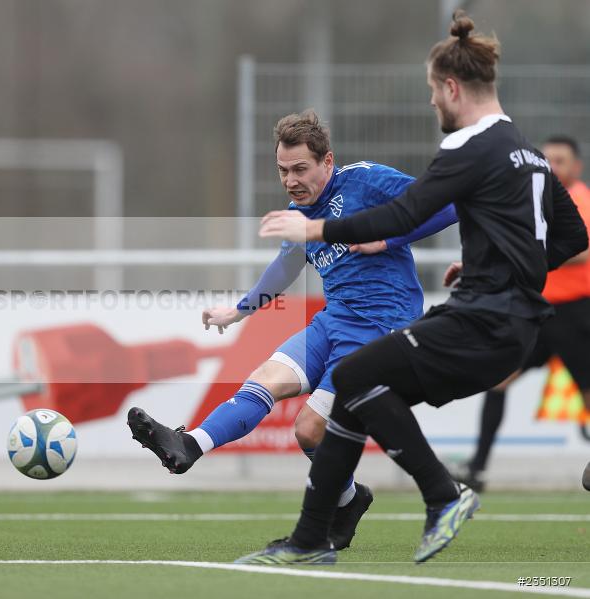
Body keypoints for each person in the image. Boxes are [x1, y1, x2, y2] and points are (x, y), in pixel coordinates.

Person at [235, 11, 588, 566]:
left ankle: (444, 494)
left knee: (354, 375)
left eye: (432, 91)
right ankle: (310, 541)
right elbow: (572, 236)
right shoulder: (526, 151)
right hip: (510, 318)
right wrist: (487, 269)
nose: (430, 103)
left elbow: (404, 213)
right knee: (356, 389)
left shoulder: (470, 149)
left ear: (452, 88)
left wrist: (316, 229)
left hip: (485, 321)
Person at [127, 109, 456, 551]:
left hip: (380, 329)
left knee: (308, 431)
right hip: (334, 320)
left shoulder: (366, 181)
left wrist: (389, 238)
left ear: (328, 161)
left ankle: (352, 501)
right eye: (283, 170)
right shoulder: (298, 213)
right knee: (263, 381)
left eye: (301, 169)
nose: (291, 180)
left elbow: (450, 205)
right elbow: (285, 265)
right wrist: (240, 312)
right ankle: (189, 446)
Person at [450, 135, 590, 492]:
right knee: (499, 378)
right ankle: (477, 468)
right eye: (548, 160)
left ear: (576, 167)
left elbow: (580, 247)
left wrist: (529, 252)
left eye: (561, 160)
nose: (553, 166)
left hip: (578, 313)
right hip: (541, 312)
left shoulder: (580, 199)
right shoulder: (535, 200)